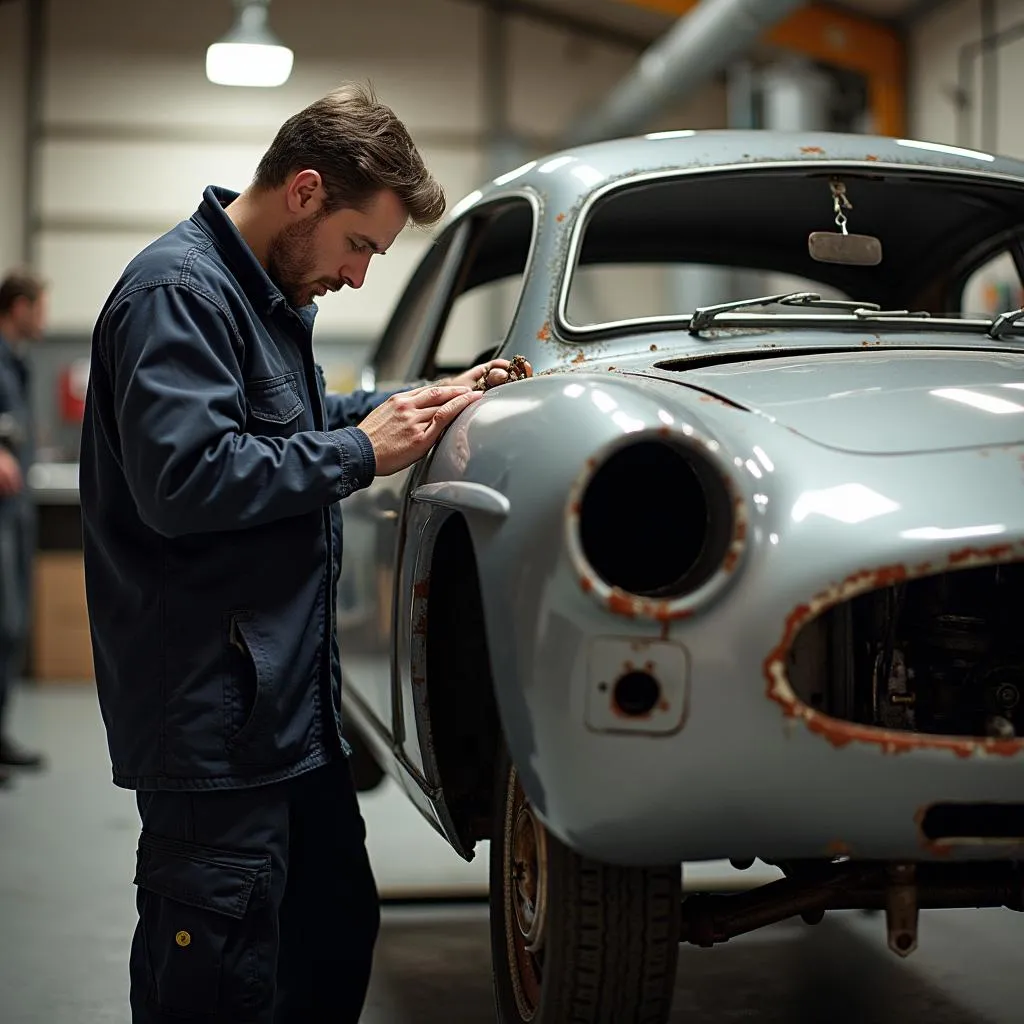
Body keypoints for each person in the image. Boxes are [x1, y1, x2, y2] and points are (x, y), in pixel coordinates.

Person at [79, 82, 529, 1023]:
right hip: (215, 721)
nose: (359, 277)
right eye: (360, 245)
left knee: (329, 932)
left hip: (288, 714)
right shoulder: (180, 295)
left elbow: (292, 424)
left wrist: (416, 403)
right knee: (221, 974)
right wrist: (364, 454)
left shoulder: (264, 296)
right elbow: (187, 480)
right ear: (307, 192)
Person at [0, 270, 48, 789]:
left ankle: (1, 738)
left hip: (14, 512)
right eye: (39, 307)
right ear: (18, 307)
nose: (44, 319)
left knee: (10, 628)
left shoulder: (15, 360)